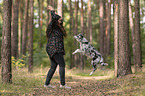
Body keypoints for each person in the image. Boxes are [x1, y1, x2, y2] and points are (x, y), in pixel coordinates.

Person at [44, 6, 71, 89]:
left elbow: (58, 20)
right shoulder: (53, 26)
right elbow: (54, 18)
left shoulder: (58, 29)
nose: (61, 21)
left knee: (53, 66)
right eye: (59, 20)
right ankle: (62, 84)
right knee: (62, 65)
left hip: (53, 49)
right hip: (55, 49)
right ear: (56, 21)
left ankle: (47, 84)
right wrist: (53, 11)